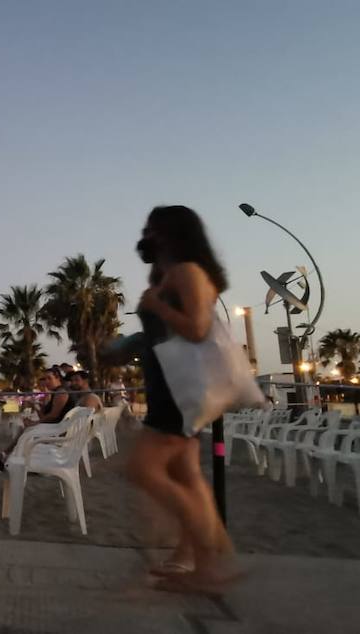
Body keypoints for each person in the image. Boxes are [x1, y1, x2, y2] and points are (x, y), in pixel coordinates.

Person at [127, 205, 236, 593]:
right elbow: (161, 335)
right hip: (168, 386)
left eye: (152, 229)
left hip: (178, 391)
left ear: (172, 233)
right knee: (186, 477)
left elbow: (197, 329)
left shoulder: (187, 272)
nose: (145, 235)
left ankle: (211, 558)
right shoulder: (171, 273)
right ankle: (198, 563)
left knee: (142, 469)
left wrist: (155, 305)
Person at [0, 368, 75, 473]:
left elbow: (53, 415)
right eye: (45, 379)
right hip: (53, 428)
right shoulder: (55, 393)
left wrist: (35, 423)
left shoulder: (61, 393)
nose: (46, 382)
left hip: (57, 431)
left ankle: (4, 459)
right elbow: (45, 416)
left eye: (49, 378)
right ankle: (4, 457)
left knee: (26, 431)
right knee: (25, 429)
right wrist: (36, 406)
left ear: (58, 377)